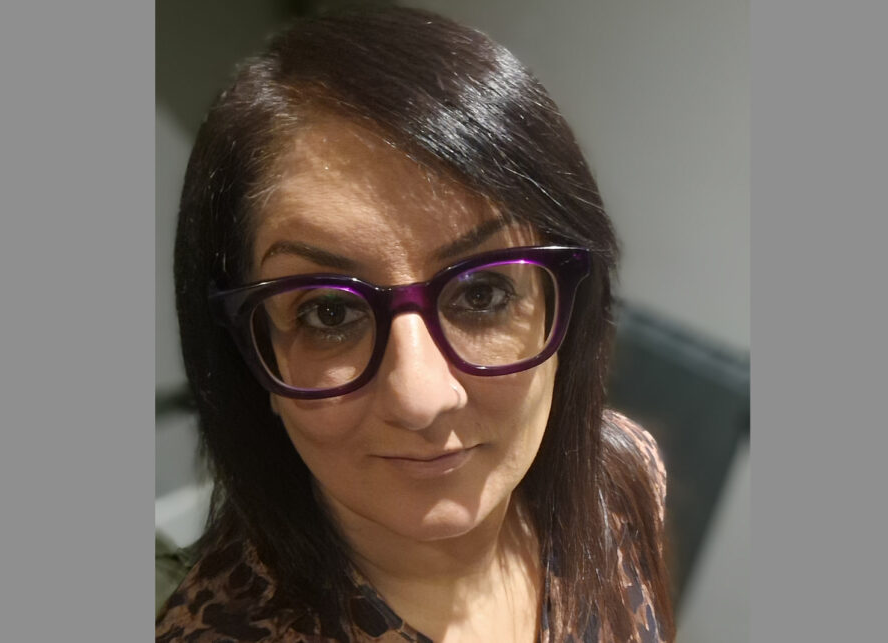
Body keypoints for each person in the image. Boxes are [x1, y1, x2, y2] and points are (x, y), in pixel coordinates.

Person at [156, 6, 673, 642]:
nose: (421, 399)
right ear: (250, 353)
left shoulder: (620, 478)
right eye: (329, 312)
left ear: (566, 309)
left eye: (482, 293)